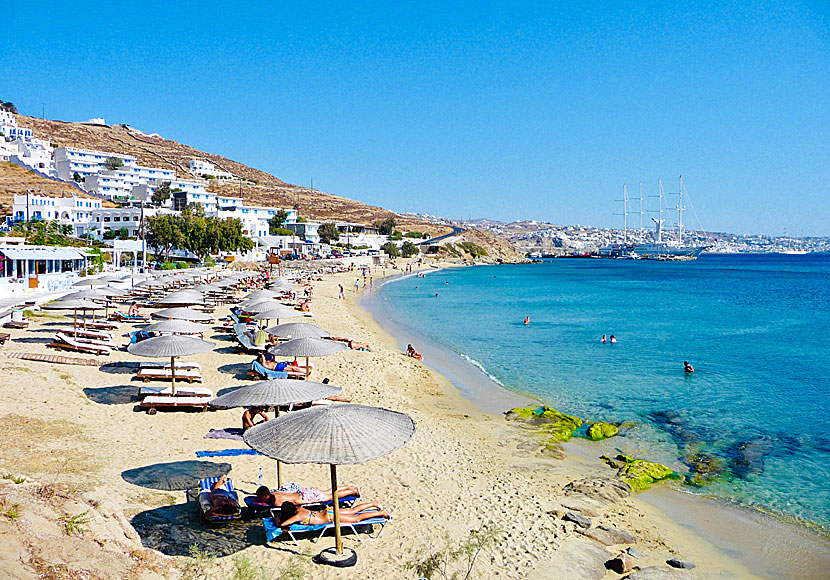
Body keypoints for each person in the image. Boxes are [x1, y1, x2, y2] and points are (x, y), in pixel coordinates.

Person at [277, 500, 390, 529]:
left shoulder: (297, 516)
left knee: (356, 519)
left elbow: (282, 524)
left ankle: (381, 513)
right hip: (327, 511)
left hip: (330, 517)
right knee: (352, 510)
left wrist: (278, 518)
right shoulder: (299, 509)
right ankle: (374, 503)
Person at [255, 482, 361, 506]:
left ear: (266, 496)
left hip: (305, 497)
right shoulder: (275, 493)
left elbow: (295, 502)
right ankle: (349, 487)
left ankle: (353, 491)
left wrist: (310, 502)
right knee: (328, 491)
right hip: (302, 491)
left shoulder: (276, 502)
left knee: (330, 496)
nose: (260, 500)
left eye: (260, 498)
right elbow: (289, 493)